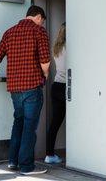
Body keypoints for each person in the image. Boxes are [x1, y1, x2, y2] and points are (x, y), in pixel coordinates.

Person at [0, 5, 51, 176]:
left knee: (19, 123)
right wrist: (45, 75)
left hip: (15, 88)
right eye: (42, 21)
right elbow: (45, 60)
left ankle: (12, 161)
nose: (42, 24)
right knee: (29, 127)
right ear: (38, 17)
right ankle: (26, 166)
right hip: (32, 86)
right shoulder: (39, 31)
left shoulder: (9, 32)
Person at [45, 22, 66, 164]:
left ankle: (49, 155)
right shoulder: (72, 47)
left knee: (55, 122)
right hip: (67, 86)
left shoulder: (56, 48)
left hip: (56, 86)